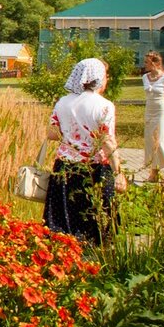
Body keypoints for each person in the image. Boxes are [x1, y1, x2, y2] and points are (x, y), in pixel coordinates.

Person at [42, 58, 126, 245]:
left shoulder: (62, 102)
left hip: (64, 167)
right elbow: (107, 142)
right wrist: (119, 173)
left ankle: (61, 256)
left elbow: (52, 134)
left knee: (63, 221)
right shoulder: (104, 106)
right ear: (98, 78)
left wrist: (72, 132)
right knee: (95, 219)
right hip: (94, 169)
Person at [142, 52, 164, 183]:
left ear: (155, 63)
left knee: (161, 141)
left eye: (147, 62)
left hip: (162, 111)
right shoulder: (145, 77)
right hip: (149, 110)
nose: (144, 65)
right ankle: (154, 172)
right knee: (150, 141)